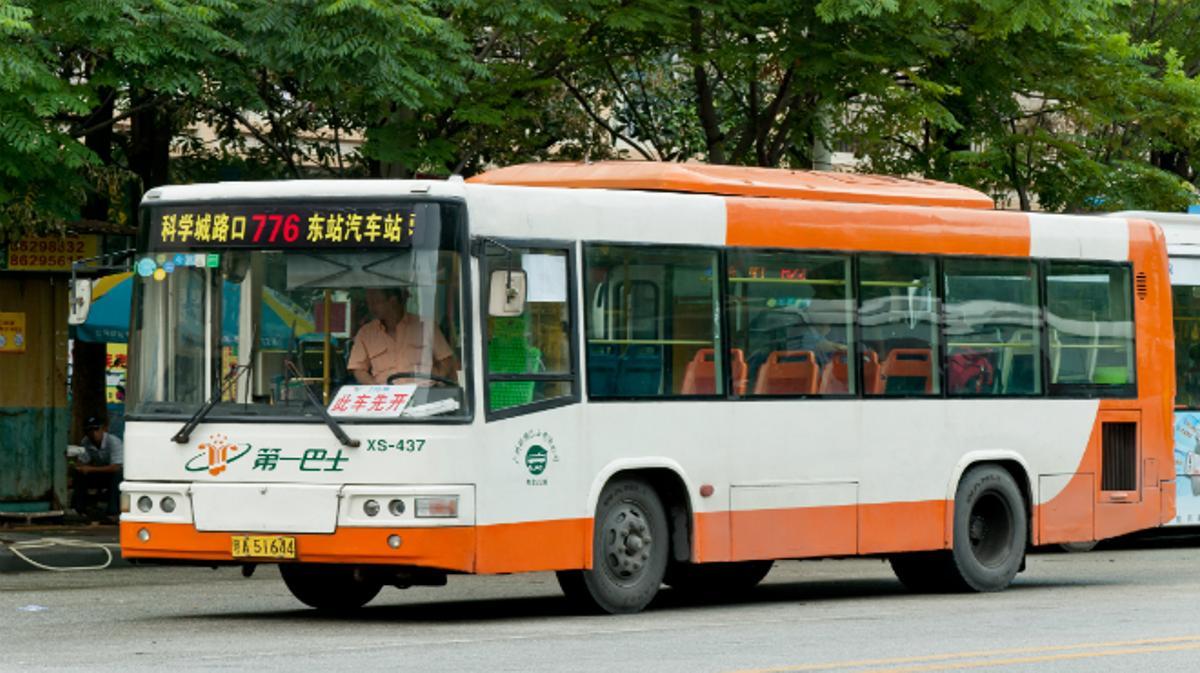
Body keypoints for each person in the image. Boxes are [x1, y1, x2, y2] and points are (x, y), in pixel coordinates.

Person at [348, 287, 458, 385]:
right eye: (369, 302)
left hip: (424, 394)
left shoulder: (426, 326)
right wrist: (374, 386)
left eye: (376, 302)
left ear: (393, 301)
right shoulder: (366, 333)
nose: (371, 307)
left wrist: (438, 380)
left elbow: (446, 360)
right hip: (387, 397)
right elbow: (358, 369)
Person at [70, 416, 123, 520]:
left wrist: (90, 469)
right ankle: (79, 509)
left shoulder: (113, 441)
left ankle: (113, 512)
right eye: (90, 430)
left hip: (114, 475)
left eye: (96, 429)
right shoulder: (86, 442)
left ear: (102, 429)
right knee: (80, 475)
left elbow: (116, 467)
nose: (93, 433)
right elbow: (82, 460)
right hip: (100, 474)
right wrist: (77, 467)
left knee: (117, 476)